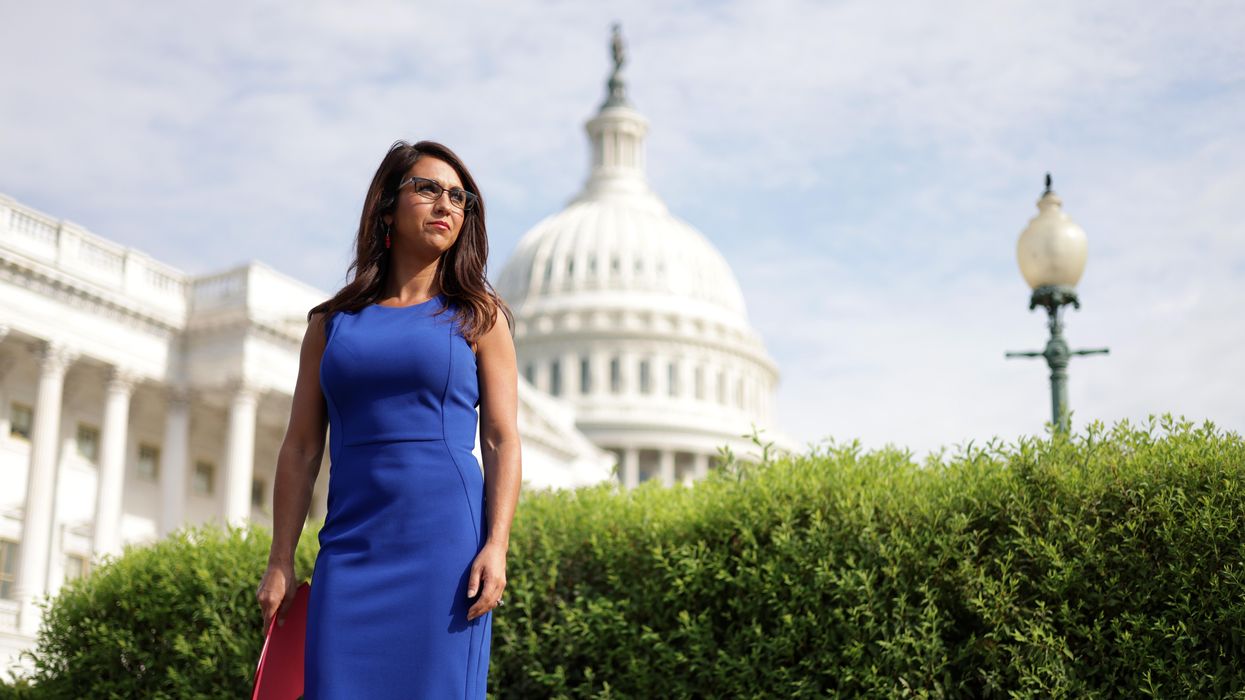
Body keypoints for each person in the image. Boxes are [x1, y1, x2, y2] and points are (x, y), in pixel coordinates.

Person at [255, 140, 522, 698]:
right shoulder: (330, 325)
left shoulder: (480, 317)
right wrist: (281, 558)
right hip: (350, 549)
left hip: (445, 552)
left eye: (459, 196)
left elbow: (500, 439)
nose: (446, 203)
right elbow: (301, 448)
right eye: (427, 188)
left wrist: (496, 545)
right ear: (387, 207)